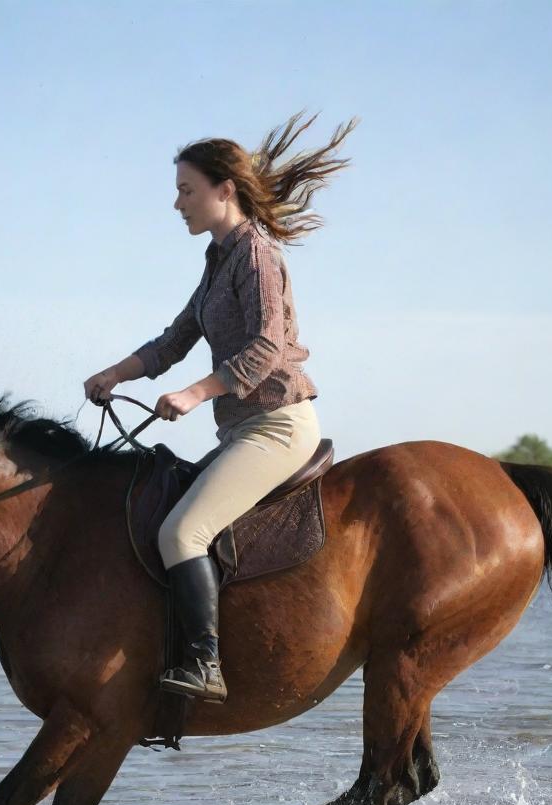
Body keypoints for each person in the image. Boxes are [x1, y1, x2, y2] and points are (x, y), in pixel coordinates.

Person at [83, 113, 356, 704]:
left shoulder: (258, 255)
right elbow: (173, 340)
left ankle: (205, 665)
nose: (177, 204)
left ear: (223, 190)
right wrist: (113, 373)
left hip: (279, 426)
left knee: (183, 531)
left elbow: (268, 346)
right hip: (242, 430)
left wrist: (194, 392)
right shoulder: (217, 261)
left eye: (187, 191)